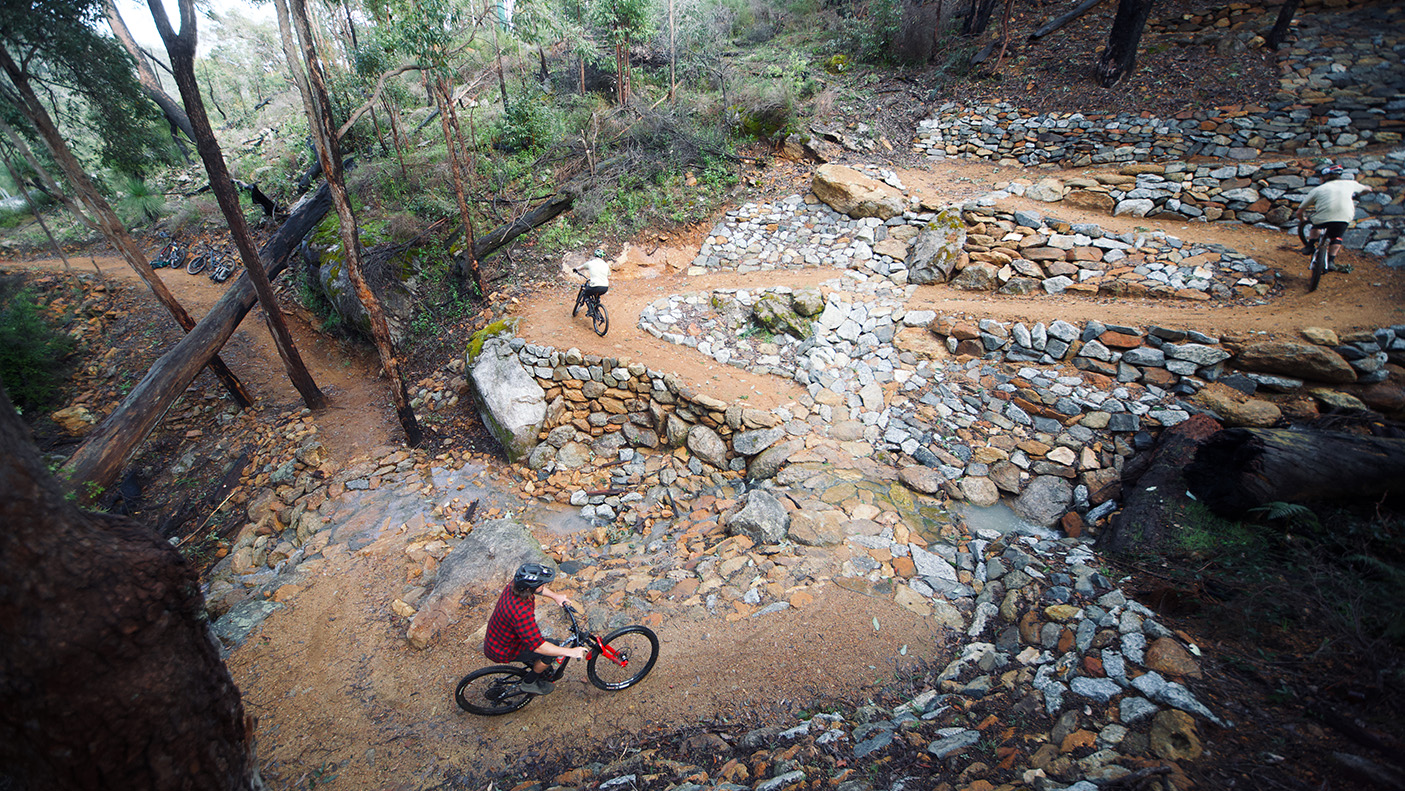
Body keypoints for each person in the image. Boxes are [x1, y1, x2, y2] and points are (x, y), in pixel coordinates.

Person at [483, 562, 589, 696]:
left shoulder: (515, 586)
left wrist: (556, 597)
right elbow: (538, 646)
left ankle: (537, 666)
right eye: (542, 584)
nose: (544, 586)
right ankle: (529, 682)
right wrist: (570, 652)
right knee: (552, 649)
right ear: (530, 588)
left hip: (498, 638)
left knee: (547, 648)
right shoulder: (520, 612)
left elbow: (538, 589)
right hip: (503, 649)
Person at [1295, 164, 1372, 273]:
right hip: (1344, 216)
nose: (1319, 179)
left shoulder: (1318, 190)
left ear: (1325, 177)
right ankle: (1331, 261)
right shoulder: (1350, 184)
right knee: (1337, 236)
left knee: (1316, 224)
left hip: (1323, 217)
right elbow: (1367, 189)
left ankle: (1310, 245)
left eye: (1320, 177)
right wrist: (1363, 192)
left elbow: (1299, 211)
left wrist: (1303, 220)